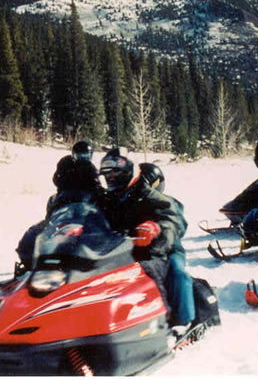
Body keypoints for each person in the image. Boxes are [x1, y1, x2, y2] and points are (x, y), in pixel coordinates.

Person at [99, 149, 193, 334]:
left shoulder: (149, 195)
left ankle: (181, 320)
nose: (111, 176)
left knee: (176, 271)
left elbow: (174, 219)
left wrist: (157, 229)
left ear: (129, 170)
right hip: (123, 250)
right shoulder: (109, 199)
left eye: (116, 171)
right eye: (107, 172)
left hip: (162, 250)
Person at [16, 141, 103, 271]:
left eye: (85, 155)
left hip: (83, 210)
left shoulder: (92, 170)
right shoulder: (66, 164)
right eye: (80, 155)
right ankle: (33, 258)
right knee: (37, 232)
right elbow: (57, 180)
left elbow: (98, 188)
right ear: (74, 155)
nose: (83, 159)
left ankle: (87, 262)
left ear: (90, 155)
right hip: (64, 206)